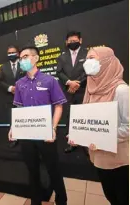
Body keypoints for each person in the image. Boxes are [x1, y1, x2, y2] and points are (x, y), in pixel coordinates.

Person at [69, 47, 129, 205]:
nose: (88, 62)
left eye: (93, 58)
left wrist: (102, 136)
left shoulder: (122, 90)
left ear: (107, 62)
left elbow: (128, 127)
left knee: (123, 198)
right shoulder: (90, 88)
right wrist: (78, 134)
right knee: (111, 196)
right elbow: (88, 122)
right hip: (98, 157)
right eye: (87, 58)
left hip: (119, 160)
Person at [9, 46, 67, 205]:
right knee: (32, 170)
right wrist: (13, 127)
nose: (22, 60)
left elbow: (59, 106)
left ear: (36, 58)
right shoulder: (19, 84)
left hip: (46, 133)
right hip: (27, 134)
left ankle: (62, 200)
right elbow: (18, 108)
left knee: (53, 169)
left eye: (26, 56)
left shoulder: (49, 80)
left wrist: (53, 128)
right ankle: (36, 200)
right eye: (21, 58)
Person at [56, 31, 87, 153]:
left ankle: (85, 143)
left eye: (75, 40)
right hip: (68, 91)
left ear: (80, 41)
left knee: (84, 117)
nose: (72, 42)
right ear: (66, 42)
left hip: (83, 91)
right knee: (70, 117)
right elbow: (59, 72)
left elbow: (88, 71)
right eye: (70, 41)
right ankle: (72, 142)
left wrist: (77, 83)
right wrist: (69, 82)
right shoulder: (62, 57)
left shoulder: (87, 53)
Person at [0, 45, 25, 148]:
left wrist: (19, 88)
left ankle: (26, 137)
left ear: (18, 53)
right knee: (12, 118)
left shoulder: (24, 64)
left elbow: (29, 77)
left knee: (24, 117)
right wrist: (10, 88)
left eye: (13, 52)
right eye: (9, 53)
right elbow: (0, 82)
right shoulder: (3, 67)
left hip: (23, 97)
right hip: (10, 97)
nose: (11, 54)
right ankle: (15, 138)